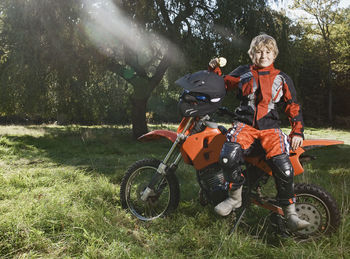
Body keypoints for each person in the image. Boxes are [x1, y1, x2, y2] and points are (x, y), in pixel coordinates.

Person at [208, 34, 310, 231]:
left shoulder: (282, 78)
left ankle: (290, 214)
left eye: (268, 51)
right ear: (252, 54)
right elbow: (221, 84)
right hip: (244, 125)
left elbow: (293, 106)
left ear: (274, 55)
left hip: (270, 129)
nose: (263, 55)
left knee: (285, 167)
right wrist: (214, 69)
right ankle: (234, 198)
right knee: (228, 157)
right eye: (258, 51)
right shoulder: (243, 72)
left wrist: (297, 131)